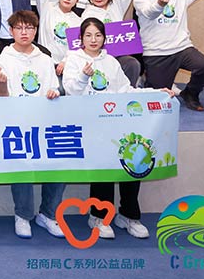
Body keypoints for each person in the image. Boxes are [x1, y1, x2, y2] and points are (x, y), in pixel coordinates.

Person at [63, 18, 175, 240]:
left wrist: (156, 93)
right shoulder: (74, 59)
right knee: (104, 166)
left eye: (98, 35)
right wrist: (84, 75)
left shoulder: (111, 61)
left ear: (105, 38)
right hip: (89, 124)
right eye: (88, 35)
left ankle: (128, 215)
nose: (93, 40)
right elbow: (71, 92)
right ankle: (98, 216)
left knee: (135, 160)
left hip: (115, 122)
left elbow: (126, 91)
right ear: (81, 38)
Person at [0, 10, 64, 240]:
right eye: (19, 28)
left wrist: (54, 92)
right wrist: (2, 84)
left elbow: (54, 88)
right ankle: (22, 215)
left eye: (29, 28)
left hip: (45, 121)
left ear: (35, 30)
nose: (24, 32)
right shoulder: (2, 59)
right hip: (16, 123)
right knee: (21, 163)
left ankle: (48, 214)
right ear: (11, 31)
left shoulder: (45, 59)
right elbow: (1, 99)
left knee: (60, 161)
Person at [134, 0, 204, 111]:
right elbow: (149, 13)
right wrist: (159, 4)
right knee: (156, 99)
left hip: (182, 48)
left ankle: (191, 94)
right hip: (156, 52)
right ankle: (152, 81)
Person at [79, 0, 140, 85]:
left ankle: (129, 91)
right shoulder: (87, 14)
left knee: (132, 63)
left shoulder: (117, 5)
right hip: (99, 56)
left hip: (119, 54)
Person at [35, 0, 82, 78]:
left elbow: (76, 47)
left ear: (77, 1)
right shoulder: (47, 9)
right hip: (42, 62)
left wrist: (65, 61)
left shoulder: (78, 21)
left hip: (62, 67)